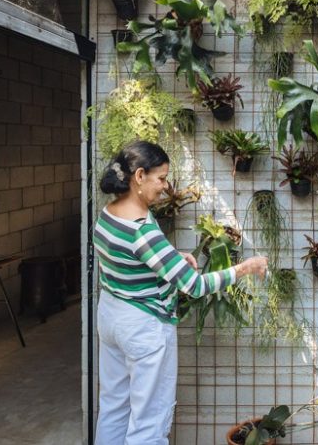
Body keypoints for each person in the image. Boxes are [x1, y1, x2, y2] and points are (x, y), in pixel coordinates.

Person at [93, 141, 267, 445]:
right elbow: (194, 286)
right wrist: (245, 268)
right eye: (160, 178)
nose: (165, 186)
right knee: (150, 420)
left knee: (114, 408)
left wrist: (172, 257)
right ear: (139, 176)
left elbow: (131, 260)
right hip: (142, 327)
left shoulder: (108, 214)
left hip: (111, 317)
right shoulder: (141, 229)